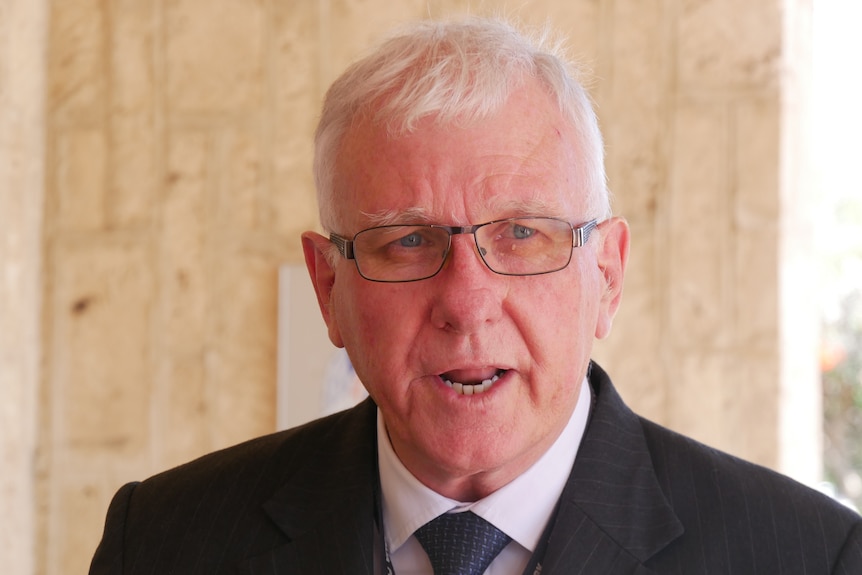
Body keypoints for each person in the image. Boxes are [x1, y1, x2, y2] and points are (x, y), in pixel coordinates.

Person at [90, 17, 861, 575]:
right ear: (330, 287)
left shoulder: (810, 555)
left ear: (608, 275)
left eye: (523, 234)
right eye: (408, 241)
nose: (467, 302)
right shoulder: (159, 544)